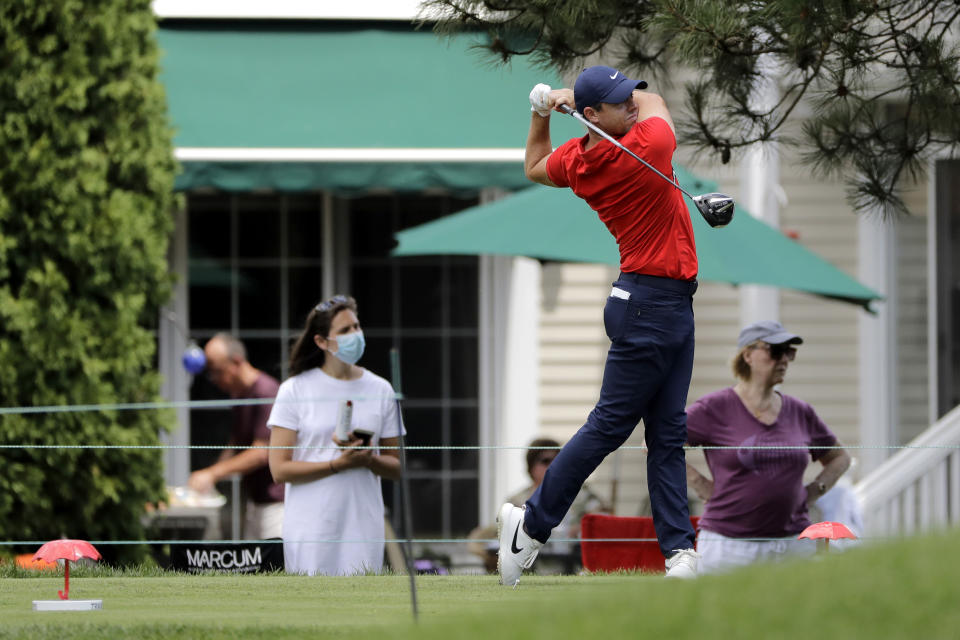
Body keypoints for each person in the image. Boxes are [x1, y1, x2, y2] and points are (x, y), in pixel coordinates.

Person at [498, 65, 702, 586]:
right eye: (617, 101)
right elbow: (655, 99)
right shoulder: (647, 145)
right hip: (650, 304)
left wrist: (540, 111)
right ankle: (532, 525)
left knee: (667, 434)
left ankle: (679, 554)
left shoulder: (581, 159)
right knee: (609, 427)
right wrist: (565, 96)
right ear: (591, 115)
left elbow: (535, 163)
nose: (630, 103)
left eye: (625, 94)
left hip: (662, 302)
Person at [685, 320, 852, 574]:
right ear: (748, 355)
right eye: (776, 351)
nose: (784, 359)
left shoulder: (800, 411)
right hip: (729, 547)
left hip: (793, 545)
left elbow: (840, 457)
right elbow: (656, 445)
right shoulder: (714, 408)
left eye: (789, 352)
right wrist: (702, 485)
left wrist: (813, 492)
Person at [267, 295, 403, 576]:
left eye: (356, 326)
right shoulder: (295, 390)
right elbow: (279, 470)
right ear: (321, 342)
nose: (356, 335)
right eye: (345, 330)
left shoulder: (381, 390)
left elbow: (396, 466)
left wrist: (367, 460)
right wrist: (336, 465)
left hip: (362, 524)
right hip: (310, 525)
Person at [188, 333, 283, 540]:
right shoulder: (240, 395)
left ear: (237, 362)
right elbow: (236, 443)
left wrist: (212, 473)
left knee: (276, 567)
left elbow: (261, 452)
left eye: (217, 372)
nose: (215, 380)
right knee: (254, 568)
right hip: (255, 501)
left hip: (278, 504)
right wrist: (212, 476)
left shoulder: (266, 392)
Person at [468, 438, 611, 574]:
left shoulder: (580, 494)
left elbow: (604, 519)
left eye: (557, 460)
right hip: (528, 569)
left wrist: (581, 529)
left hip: (573, 564)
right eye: (545, 461)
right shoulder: (517, 500)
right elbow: (499, 531)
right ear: (531, 467)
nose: (553, 465)